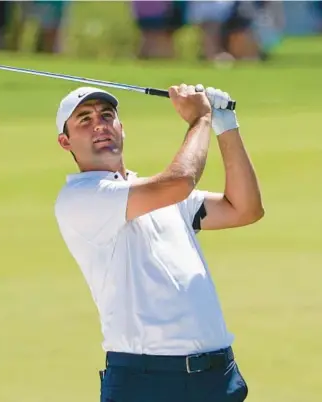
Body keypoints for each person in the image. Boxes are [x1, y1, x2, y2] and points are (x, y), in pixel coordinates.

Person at [54, 83, 264, 402]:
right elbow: (179, 181)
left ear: (121, 128)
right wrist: (200, 120)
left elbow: (244, 208)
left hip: (217, 377)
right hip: (148, 381)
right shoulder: (81, 197)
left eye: (107, 115)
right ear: (65, 141)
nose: (99, 123)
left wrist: (226, 125)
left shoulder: (159, 196)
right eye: (84, 119)